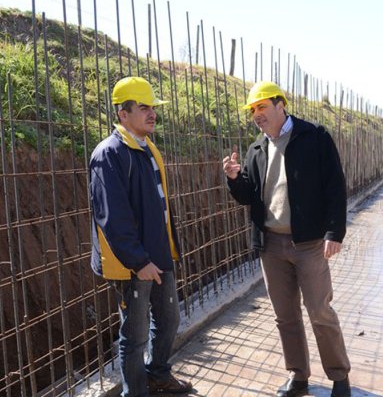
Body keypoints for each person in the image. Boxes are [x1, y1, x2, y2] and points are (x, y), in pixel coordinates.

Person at [223, 81, 352, 397]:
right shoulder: (257, 148)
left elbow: (335, 186)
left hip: (308, 244)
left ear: (281, 105)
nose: (257, 115)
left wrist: (334, 232)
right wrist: (234, 179)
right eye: (253, 110)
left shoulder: (314, 137)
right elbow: (251, 196)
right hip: (272, 245)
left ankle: (339, 377)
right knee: (285, 316)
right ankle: (299, 377)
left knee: (320, 311)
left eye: (262, 107)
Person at [89, 76, 192, 397]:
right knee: (133, 336)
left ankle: (158, 374)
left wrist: (163, 253)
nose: (152, 114)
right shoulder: (109, 155)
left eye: (153, 107)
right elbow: (112, 217)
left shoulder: (145, 147)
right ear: (123, 114)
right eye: (144, 107)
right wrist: (138, 260)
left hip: (159, 256)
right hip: (133, 263)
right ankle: (135, 392)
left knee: (170, 320)